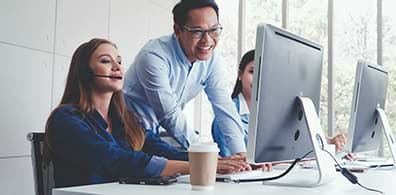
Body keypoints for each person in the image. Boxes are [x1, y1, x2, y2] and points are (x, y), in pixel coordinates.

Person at [44, 38, 249, 188]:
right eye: (106, 61)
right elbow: (118, 160)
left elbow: (162, 150)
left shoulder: (126, 120)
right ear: (85, 72)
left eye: (119, 61)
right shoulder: (66, 120)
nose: (117, 67)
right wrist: (198, 166)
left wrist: (217, 160)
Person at [123, 0, 246, 157]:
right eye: (197, 31)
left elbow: (224, 106)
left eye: (214, 30)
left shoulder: (211, 59)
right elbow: (169, 114)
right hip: (128, 133)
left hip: (157, 137)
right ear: (177, 30)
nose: (207, 40)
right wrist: (206, 154)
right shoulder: (154, 56)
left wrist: (241, 154)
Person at [212, 50, 349, 157]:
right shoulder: (226, 117)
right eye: (253, 72)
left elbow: (293, 145)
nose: (259, 79)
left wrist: (330, 144)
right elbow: (236, 162)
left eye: (265, 73)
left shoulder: (274, 114)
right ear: (240, 74)